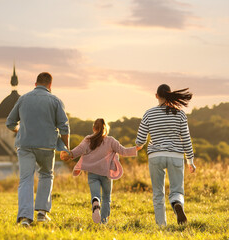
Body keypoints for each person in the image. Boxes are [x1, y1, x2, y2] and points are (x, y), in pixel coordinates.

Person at [6, 72, 70, 226]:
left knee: (26, 179)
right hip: (47, 146)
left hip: (25, 145)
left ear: (35, 84)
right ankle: (42, 213)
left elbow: (10, 123)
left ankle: (25, 218)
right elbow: (64, 127)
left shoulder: (23, 99)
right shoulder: (56, 101)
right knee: (46, 175)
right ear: (50, 85)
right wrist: (66, 147)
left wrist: (20, 130)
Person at [135, 84, 196, 226]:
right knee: (176, 189)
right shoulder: (180, 113)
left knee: (158, 193)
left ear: (156, 96)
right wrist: (190, 160)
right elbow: (186, 138)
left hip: (156, 155)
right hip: (175, 155)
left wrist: (137, 147)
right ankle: (176, 204)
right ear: (169, 95)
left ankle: (161, 226)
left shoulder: (149, 113)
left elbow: (140, 140)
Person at [60, 118, 142, 224]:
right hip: (106, 174)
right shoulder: (111, 140)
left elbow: (77, 151)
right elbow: (123, 151)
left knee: (96, 195)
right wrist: (136, 148)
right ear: (106, 129)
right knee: (107, 198)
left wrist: (67, 154)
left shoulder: (88, 140)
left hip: (92, 174)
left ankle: (95, 203)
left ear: (94, 128)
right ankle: (103, 222)